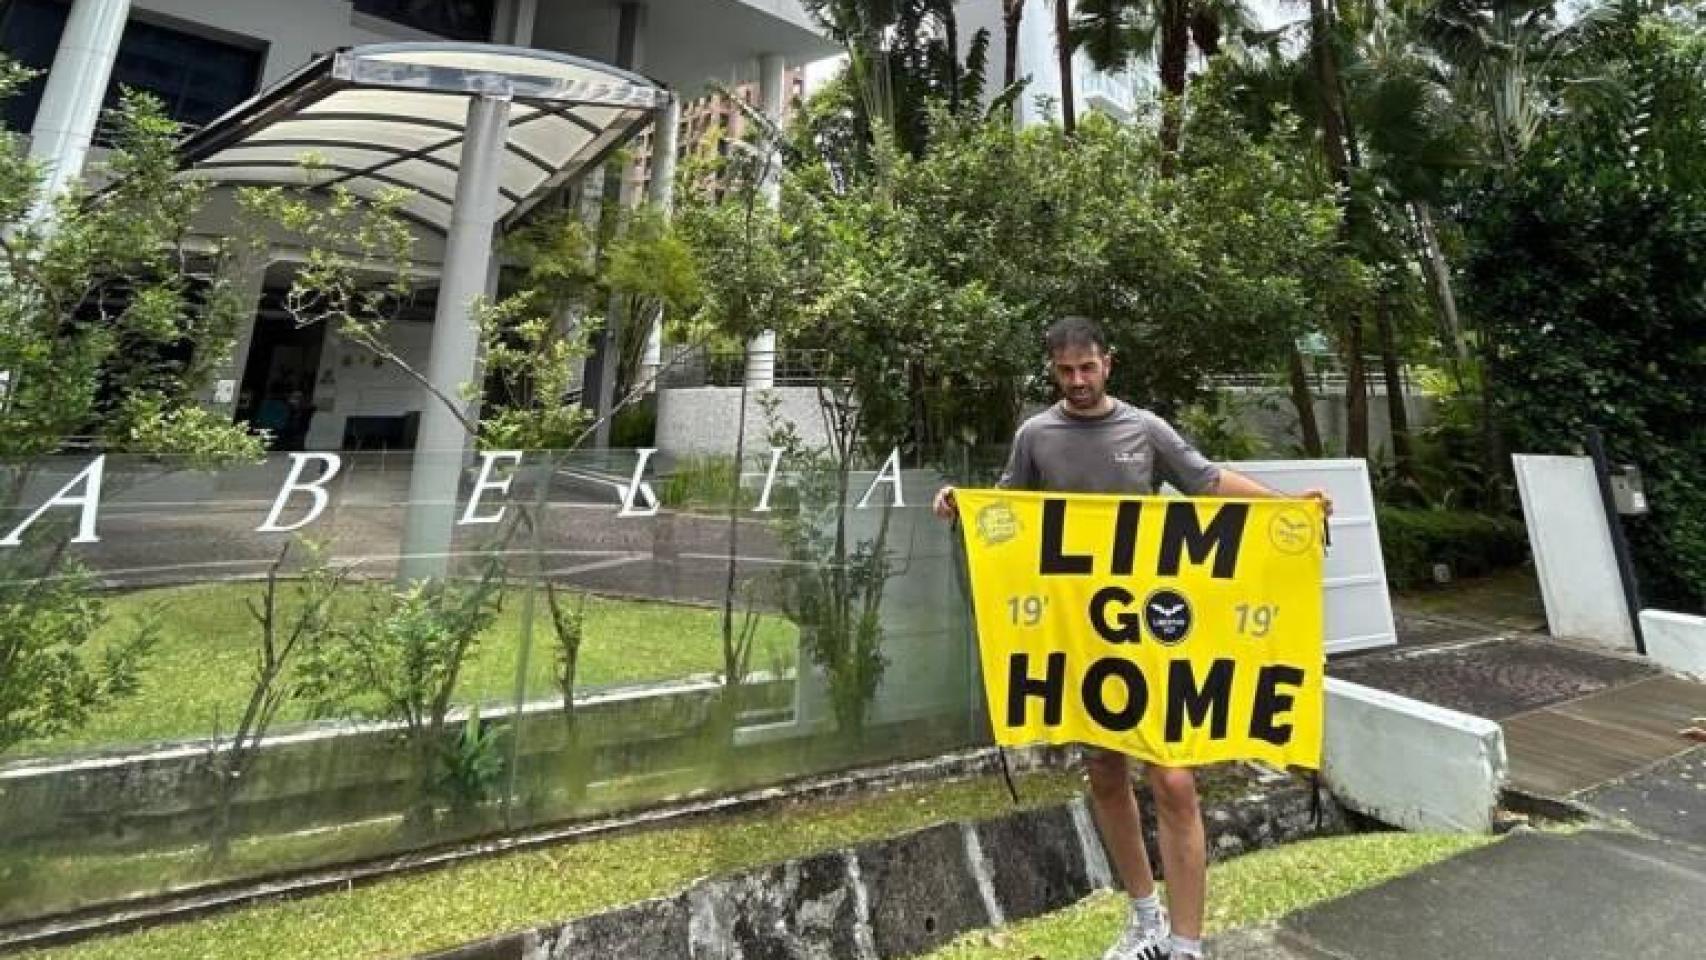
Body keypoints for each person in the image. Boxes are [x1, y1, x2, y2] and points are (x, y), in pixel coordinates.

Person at [933, 316, 1332, 960]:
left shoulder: (1144, 429)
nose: (1078, 381)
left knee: (1173, 779)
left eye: (1087, 368)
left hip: (1150, 633)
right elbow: (1008, 510)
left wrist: (1287, 506)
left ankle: (1187, 943)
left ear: (1107, 364)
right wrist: (962, 502)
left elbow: (1206, 481)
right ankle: (1144, 918)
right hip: (1085, 637)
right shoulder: (1037, 435)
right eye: (1065, 372)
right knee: (1103, 771)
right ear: (1052, 371)